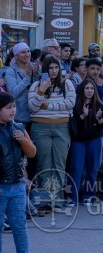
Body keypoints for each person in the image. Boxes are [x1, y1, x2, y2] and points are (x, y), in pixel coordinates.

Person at [27, 54, 75, 200]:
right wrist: (41, 90)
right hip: (41, 127)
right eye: (50, 68)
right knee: (44, 164)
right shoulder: (36, 85)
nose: (53, 71)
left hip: (62, 126)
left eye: (56, 67)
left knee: (59, 163)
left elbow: (70, 103)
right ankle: (44, 199)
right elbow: (33, 107)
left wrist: (47, 105)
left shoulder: (67, 84)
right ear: (45, 69)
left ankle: (57, 199)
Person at [0, 92, 36, 253]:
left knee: (20, 227)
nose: (13, 110)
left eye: (14, 106)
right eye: (8, 107)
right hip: (1, 187)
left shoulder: (19, 127)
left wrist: (23, 140)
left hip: (17, 187)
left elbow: (32, 153)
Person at [68, 79, 103, 205]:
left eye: (92, 88)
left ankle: (88, 196)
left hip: (95, 139)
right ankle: (72, 197)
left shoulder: (99, 104)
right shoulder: (75, 103)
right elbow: (74, 123)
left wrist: (99, 119)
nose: (89, 91)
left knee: (92, 168)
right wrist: (84, 115)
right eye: (87, 88)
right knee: (76, 168)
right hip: (78, 140)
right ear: (82, 89)